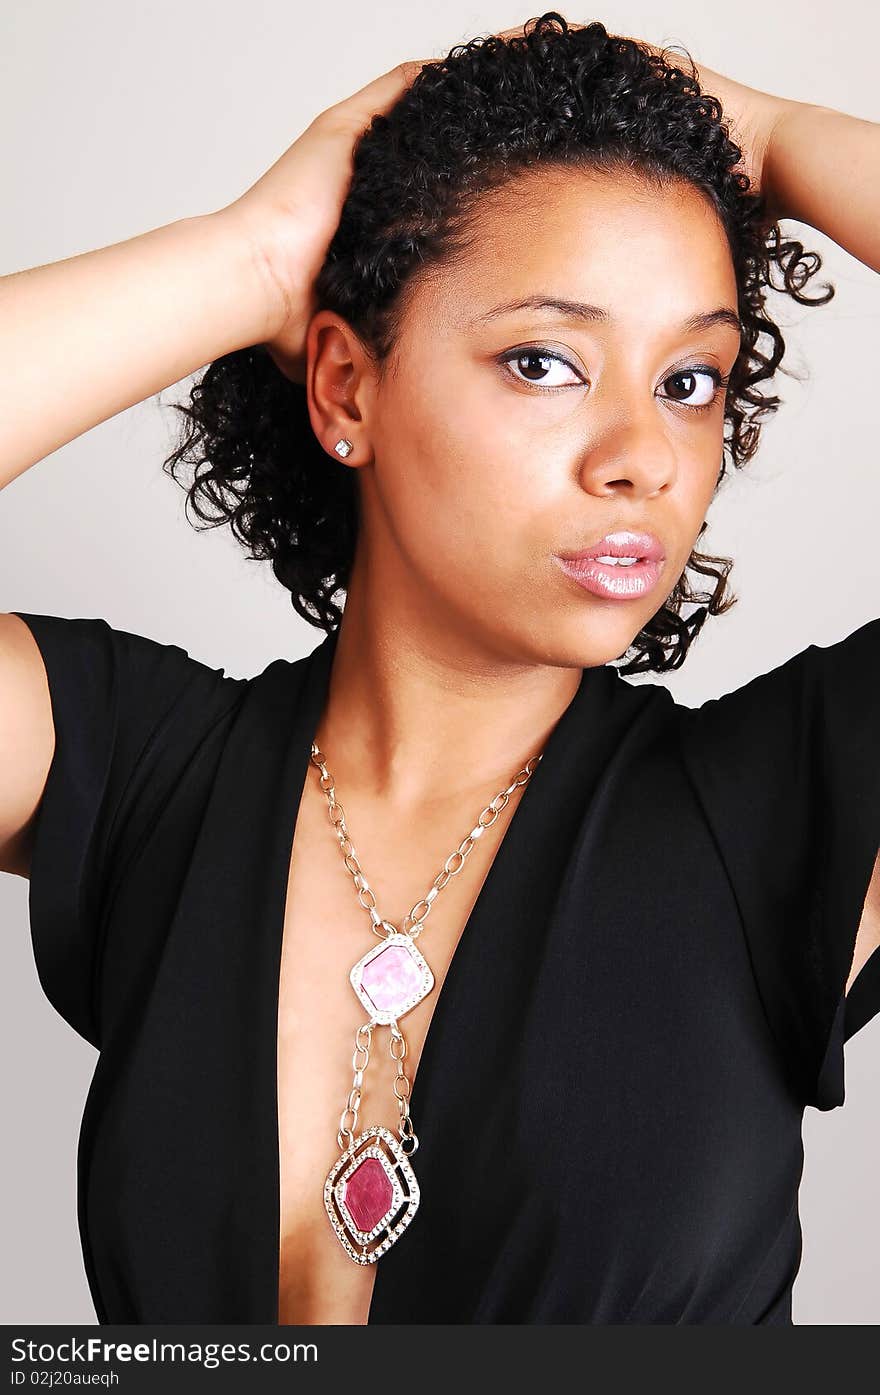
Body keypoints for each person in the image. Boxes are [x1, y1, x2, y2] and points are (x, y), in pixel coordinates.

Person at [1, 13, 878, 1326]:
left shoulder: (779, 807)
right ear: (347, 389)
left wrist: (785, 136)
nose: (644, 455)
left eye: (693, 379)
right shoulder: (136, 771)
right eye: (544, 361)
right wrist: (250, 261)